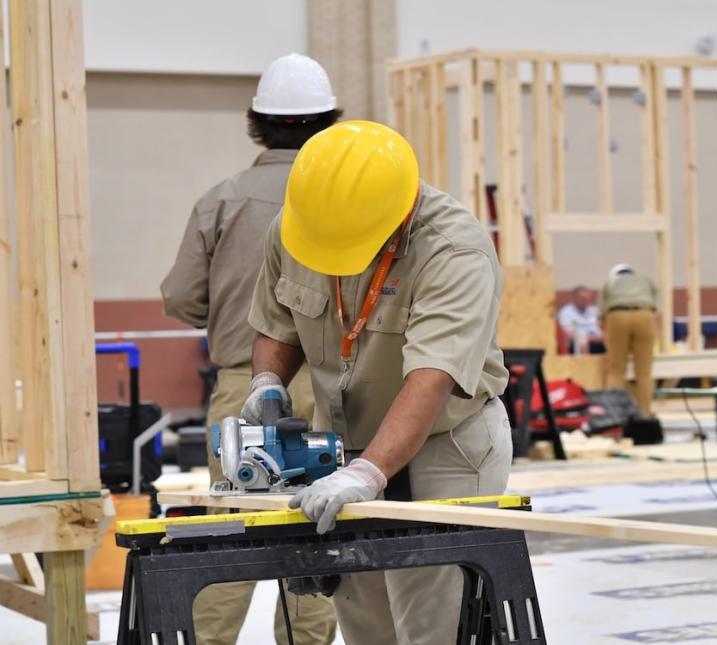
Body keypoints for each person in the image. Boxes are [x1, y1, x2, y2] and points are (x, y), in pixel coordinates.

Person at [246, 120, 512, 644]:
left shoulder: (454, 252)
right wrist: (266, 382)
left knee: (432, 626)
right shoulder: (302, 225)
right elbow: (277, 318)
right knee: (367, 625)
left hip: (444, 445)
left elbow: (431, 380)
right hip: (343, 444)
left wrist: (369, 473)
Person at [160, 53, 340, 645]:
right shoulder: (351, 199)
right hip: (335, 387)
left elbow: (182, 297)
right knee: (323, 529)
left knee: (231, 530)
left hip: (244, 384)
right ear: (329, 120)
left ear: (257, 122)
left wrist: (227, 317)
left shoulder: (223, 200)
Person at [599, 264, 659, 416]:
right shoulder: (645, 280)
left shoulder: (609, 283)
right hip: (645, 315)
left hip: (617, 315)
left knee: (616, 370)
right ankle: (645, 413)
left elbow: (601, 314)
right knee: (644, 372)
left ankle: (614, 414)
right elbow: (658, 308)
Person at [557, 285, 605, 353]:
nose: (585, 301)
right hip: (578, 342)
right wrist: (587, 339)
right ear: (574, 298)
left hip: (597, 340)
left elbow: (603, 327)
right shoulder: (566, 312)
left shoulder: (594, 310)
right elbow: (567, 333)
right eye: (582, 298)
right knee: (582, 343)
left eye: (587, 298)